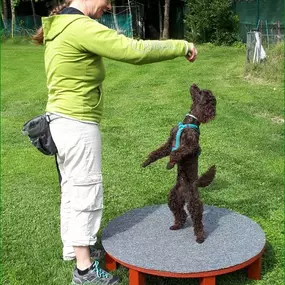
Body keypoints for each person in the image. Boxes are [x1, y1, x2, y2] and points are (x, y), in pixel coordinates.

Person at [32, 0, 198, 284]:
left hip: (60, 121)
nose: (107, 8)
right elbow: (134, 51)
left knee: (73, 190)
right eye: (106, 2)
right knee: (85, 191)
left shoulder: (59, 26)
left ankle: (76, 251)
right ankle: (85, 272)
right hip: (77, 123)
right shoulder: (78, 26)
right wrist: (181, 45)